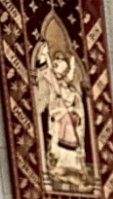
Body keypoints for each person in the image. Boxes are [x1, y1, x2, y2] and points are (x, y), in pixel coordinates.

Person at [33, 42, 88, 185]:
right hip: (59, 117)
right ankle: (58, 167)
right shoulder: (55, 84)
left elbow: (71, 88)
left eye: (61, 61)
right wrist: (44, 55)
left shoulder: (65, 84)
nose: (58, 62)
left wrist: (73, 63)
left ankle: (74, 168)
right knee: (60, 140)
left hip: (67, 117)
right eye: (57, 61)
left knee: (72, 139)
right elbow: (46, 72)